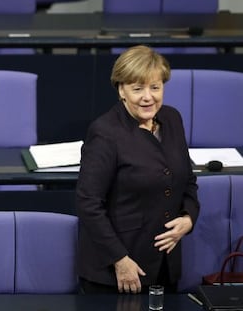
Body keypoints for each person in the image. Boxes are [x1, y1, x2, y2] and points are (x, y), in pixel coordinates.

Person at [76, 45, 200, 294]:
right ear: (121, 90)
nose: (148, 97)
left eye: (155, 87)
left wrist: (189, 218)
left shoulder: (172, 119)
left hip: (165, 265)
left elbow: (187, 180)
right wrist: (120, 260)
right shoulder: (105, 132)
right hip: (118, 272)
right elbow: (88, 203)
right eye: (137, 89)